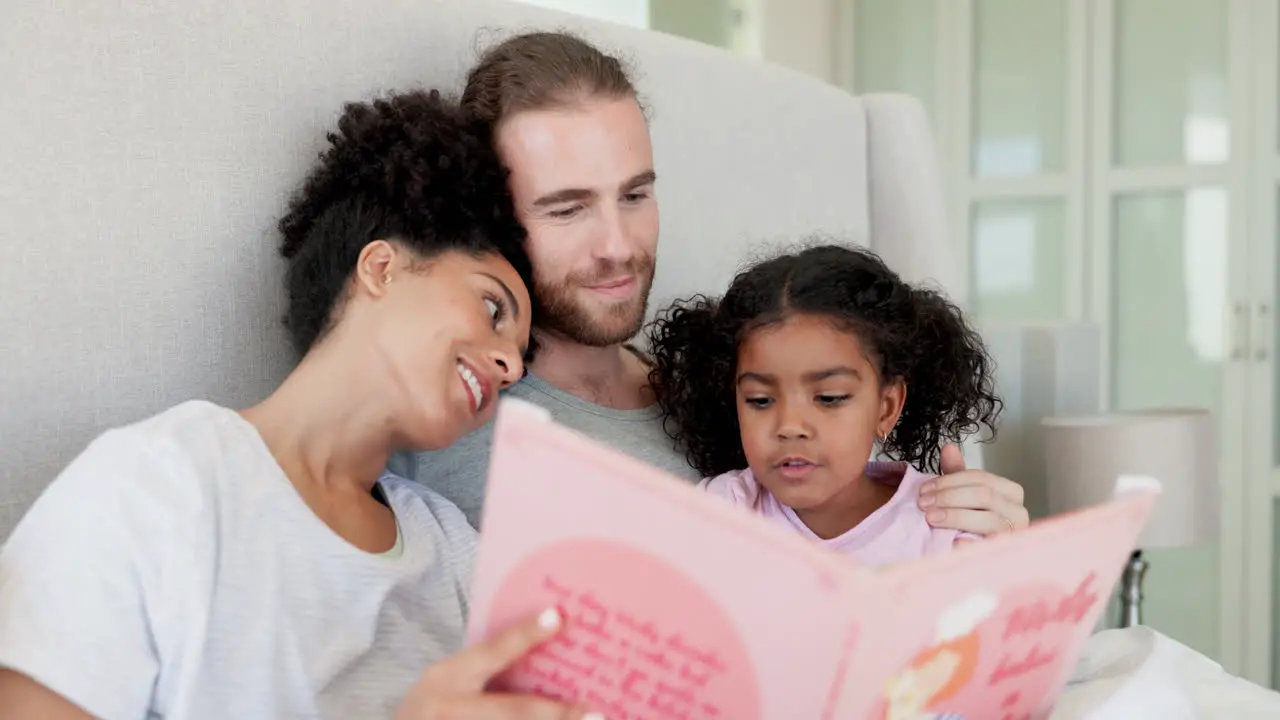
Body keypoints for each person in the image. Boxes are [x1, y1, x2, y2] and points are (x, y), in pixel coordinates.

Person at [0, 90, 597, 720]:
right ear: (382, 268)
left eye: (518, 360)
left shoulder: (454, 554)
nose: (507, 366)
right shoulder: (157, 483)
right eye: (491, 308)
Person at [397, 32, 1030, 540]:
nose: (618, 246)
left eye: (636, 194)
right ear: (491, 217)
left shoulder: (726, 389)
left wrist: (973, 529)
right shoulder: (449, 423)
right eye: (567, 210)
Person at [646, 243, 1002, 563]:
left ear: (887, 407)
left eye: (829, 398)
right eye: (760, 400)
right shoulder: (720, 513)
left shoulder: (944, 524)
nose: (789, 425)